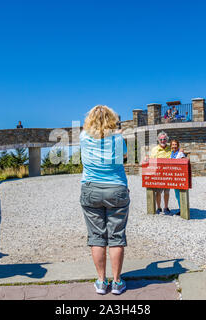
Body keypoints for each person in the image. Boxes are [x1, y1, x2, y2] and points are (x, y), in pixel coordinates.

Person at [80, 105, 129, 295]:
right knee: (116, 236)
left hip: (91, 187)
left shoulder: (84, 137)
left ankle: (101, 281)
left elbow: (93, 133)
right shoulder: (117, 138)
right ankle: (117, 282)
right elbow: (124, 155)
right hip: (116, 187)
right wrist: (118, 133)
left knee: (96, 237)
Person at [149, 131, 172, 214]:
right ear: (158, 140)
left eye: (164, 139)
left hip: (167, 174)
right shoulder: (154, 149)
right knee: (158, 192)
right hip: (158, 174)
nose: (163, 141)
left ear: (167, 139)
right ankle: (159, 207)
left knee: (167, 192)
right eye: (161, 139)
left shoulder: (170, 148)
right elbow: (151, 160)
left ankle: (166, 207)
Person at [170, 139, 186, 215]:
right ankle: (181, 208)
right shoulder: (172, 153)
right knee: (177, 194)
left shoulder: (180, 153)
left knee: (181, 193)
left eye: (175, 144)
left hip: (180, 176)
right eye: (173, 145)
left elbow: (184, 164)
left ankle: (183, 209)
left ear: (178, 145)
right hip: (174, 176)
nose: (174, 146)